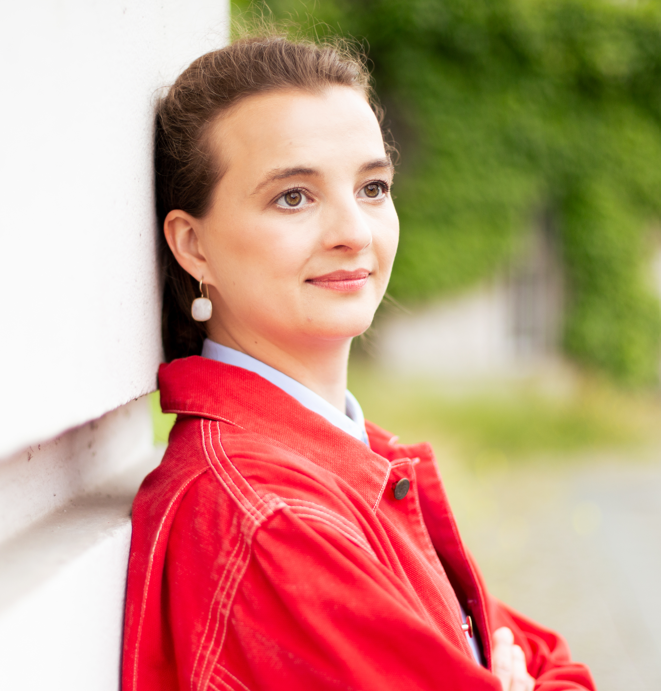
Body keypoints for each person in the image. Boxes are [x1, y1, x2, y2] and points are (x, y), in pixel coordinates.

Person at [122, 33, 596, 691]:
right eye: (294, 196)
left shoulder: (339, 457)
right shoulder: (272, 517)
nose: (354, 231)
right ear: (192, 244)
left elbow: (550, 656)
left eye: (372, 186)